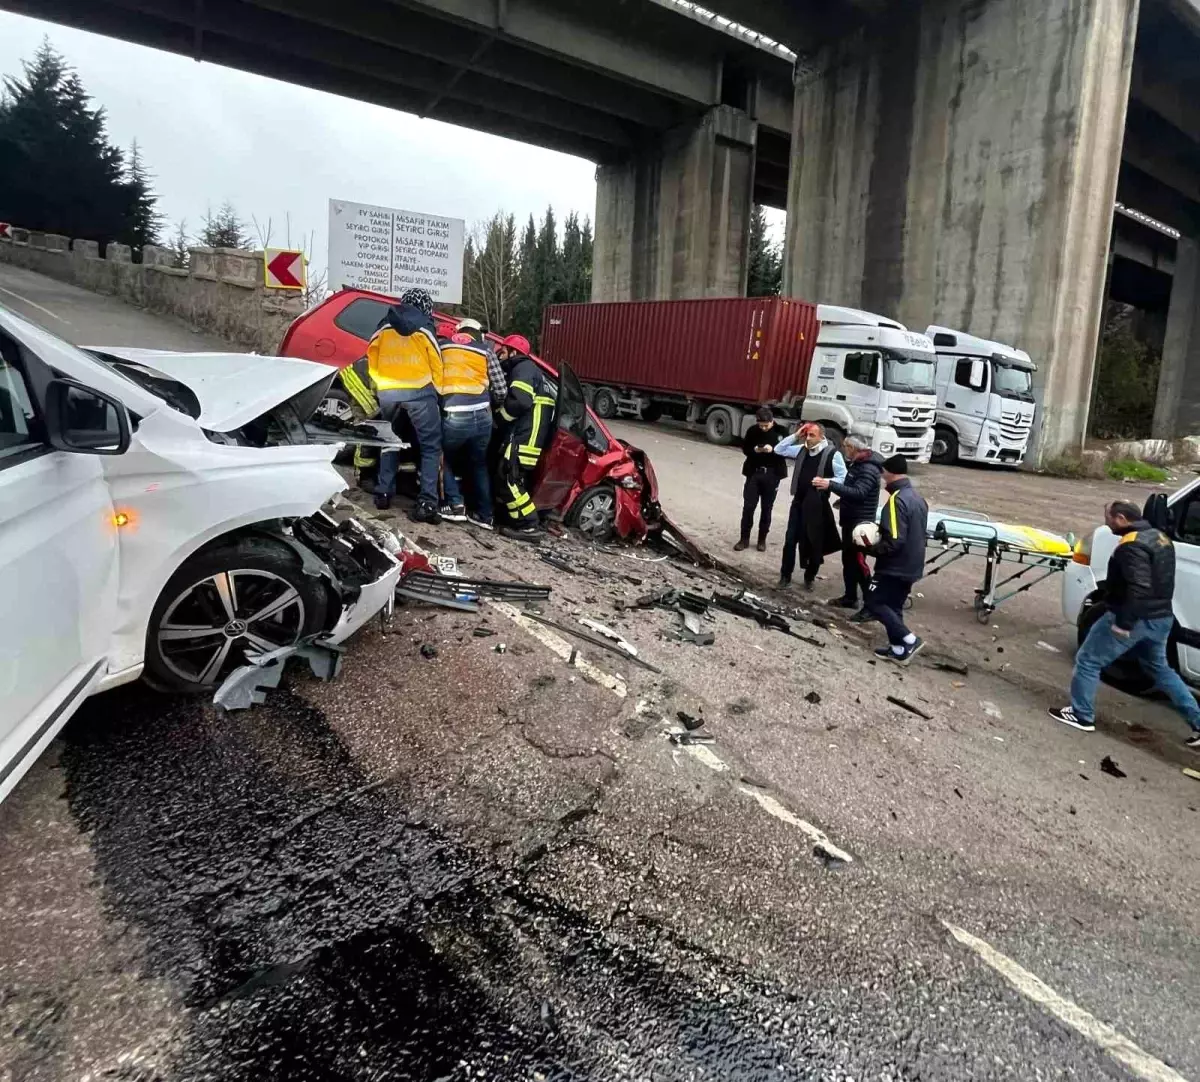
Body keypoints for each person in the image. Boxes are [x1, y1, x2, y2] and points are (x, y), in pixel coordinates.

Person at [1050, 501, 1200, 746]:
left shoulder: (1131, 546)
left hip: (1133, 618)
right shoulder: (1159, 536)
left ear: (1121, 518)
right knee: (1159, 669)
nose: (1106, 522)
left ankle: (1081, 715)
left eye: (1108, 517)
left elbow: (1138, 588)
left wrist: (1124, 623)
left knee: (1088, 660)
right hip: (1161, 617)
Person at [367, 287, 444, 523]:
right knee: (430, 446)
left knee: (389, 441)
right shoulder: (425, 328)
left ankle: (383, 493)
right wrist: (438, 393)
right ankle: (427, 501)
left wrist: (379, 384)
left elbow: (371, 355)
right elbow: (436, 362)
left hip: (389, 392)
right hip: (420, 392)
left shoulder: (384, 326)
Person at [860, 455, 928, 664]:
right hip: (913, 564)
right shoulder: (917, 498)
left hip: (895, 565)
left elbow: (895, 540)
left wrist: (871, 549)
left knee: (874, 602)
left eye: (883, 471)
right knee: (895, 606)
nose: (881, 475)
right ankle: (898, 649)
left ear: (889, 472)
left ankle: (909, 639)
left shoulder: (896, 501)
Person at [438, 320, 501, 529]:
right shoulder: (485, 351)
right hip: (483, 415)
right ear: (477, 334)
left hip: (454, 414)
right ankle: (485, 515)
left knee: (439, 455)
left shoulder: (444, 347)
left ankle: (456, 504)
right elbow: (501, 389)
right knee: (479, 463)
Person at [494, 334, 554, 541]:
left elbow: (519, 402)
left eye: (502, 351)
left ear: (514, 352)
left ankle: (528, 524)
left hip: (523, 438)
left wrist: (499, 420)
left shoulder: (523, 369)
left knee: (509, 479)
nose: (499, 355)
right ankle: (515, 519)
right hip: (528, 438)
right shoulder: (531, 371)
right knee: (509, 479)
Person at [814, 434, 883, 610]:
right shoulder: (858, 464)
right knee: (849, 561)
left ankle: (871, 604)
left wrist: (830, 485)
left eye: (845, 446)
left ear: (853, 448)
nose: (843, 449)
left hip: (859, 526)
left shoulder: (868, 469)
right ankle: (850, 597)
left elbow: (859, 493)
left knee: (858, 564)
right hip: (850, 520)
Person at [774, 422, 846, 590]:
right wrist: (796, 435)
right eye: (806, 435)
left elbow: (843, 477)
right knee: (790, 540)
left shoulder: (832, 454)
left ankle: (810, 577)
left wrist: (826, 482)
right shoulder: (802, 449)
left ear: (822, 436)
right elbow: (779, 450)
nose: (808, 438)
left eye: (812, 435)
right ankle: (785, 576)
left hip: (817, 505)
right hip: (798, 502)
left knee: (814, 542)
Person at [735, 407, 789, 552]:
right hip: (754, 473)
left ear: (772, 421)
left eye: (767, 425)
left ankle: (761, 539)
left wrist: (773, 450)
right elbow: (745, 448)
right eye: (761, 425)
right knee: (748, 507)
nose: (764, 428)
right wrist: (755, 450)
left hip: (772, 474)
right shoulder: (753, 431)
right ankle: (744, 538)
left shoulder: (781, 432)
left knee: (767, 508)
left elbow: (787, 451)